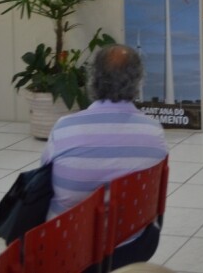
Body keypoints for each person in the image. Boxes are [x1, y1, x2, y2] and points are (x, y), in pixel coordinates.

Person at [42, 44, 167, 269]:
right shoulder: (153, 131)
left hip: (69, 250)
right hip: (131, 247)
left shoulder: (64, 128)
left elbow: (44, 184)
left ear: (93, 79)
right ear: (138, 81)